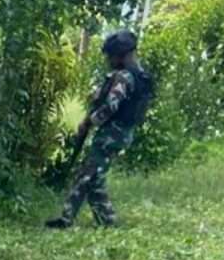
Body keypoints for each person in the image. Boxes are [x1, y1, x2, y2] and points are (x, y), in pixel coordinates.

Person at [48, 30, 153, 230]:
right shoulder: (140, 76)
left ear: (120, 55)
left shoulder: (123, 77)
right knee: (95, 179)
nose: (108, 60)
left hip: (111, 134)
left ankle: (66, 219)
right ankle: (107, 220)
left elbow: (110, 107)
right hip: (123, 133)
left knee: (85, 176)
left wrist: (89, 122)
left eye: (111, 56)